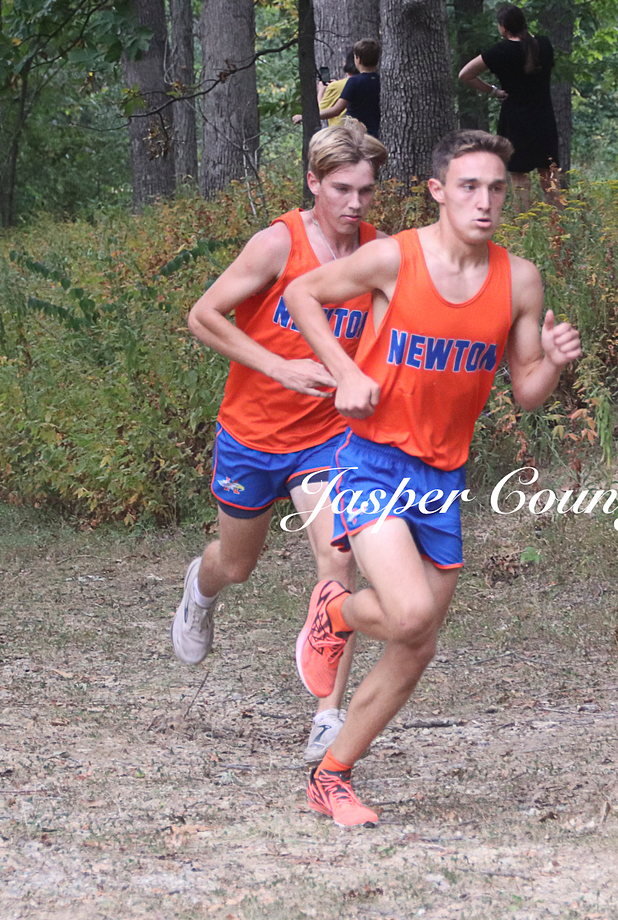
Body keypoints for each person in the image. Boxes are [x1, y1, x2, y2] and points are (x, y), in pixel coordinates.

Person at [280, 130, 583, 828]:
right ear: (439, 191)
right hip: (371, 460)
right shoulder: (395, 256)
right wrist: (346, 371)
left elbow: (526, 391)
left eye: (496, 188)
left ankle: (332, 776)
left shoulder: (520, 279)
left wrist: (554, 361)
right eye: (469, 186)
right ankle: (336, 613)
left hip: (442, 476)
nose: (485, 201)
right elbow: (300, 294)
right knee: (411, 613)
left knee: (416, 643)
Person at [173, 123, 387, 763]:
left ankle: (328, 716)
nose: (354, 203)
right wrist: (278, 367)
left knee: (338, 560)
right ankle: (201, 587)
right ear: (314, 183)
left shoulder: (379, 254)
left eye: (366, 191)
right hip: (253, 434)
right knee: (237, 564)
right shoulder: (276, 245)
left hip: (329, 436)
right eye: (341, 189)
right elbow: (202, 316)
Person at [458, 5, 560, 210]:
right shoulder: (544, 44)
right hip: (543, 119)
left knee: (519, 176)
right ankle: (558, 222)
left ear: (503, 27)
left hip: (515, 121)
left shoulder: (500, 51)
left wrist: (493, 90)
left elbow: (465, 74)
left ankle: (524, 223)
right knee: (549, 175)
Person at [315, 38, 381, 139]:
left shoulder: (354, 82)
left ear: (358, 60)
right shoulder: (380, 80)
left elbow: (336, 110)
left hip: (356, 133)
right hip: (375, 132)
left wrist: (305, 117)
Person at [294, 49, 356, 129]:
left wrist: (321, 91)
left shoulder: (336, 86)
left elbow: (318, 111)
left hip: (340, 131)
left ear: (346, 64)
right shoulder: (364, 82)